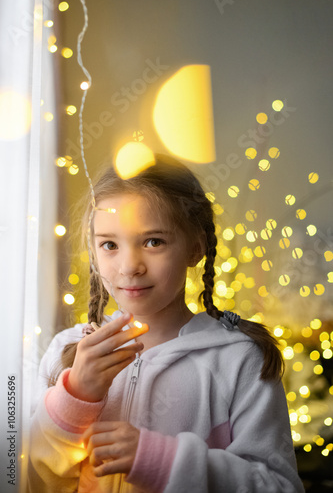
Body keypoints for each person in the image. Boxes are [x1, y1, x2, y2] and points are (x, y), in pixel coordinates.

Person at [28, 154, 305, 492]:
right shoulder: (66, 351)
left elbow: (278, 487)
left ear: (195, 247)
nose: (130, 266)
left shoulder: (239, 360)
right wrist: (72, 401)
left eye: (153, 241)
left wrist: (162, 461)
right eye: (110, 245)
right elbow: (27, 480)